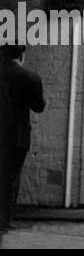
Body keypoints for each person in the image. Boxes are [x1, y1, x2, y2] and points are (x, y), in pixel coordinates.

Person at [0, 45, 45, 235]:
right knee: (11, 177)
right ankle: (5, 219)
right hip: (17, 136)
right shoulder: (31, 77)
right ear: (22, 55)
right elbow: (38, 106)